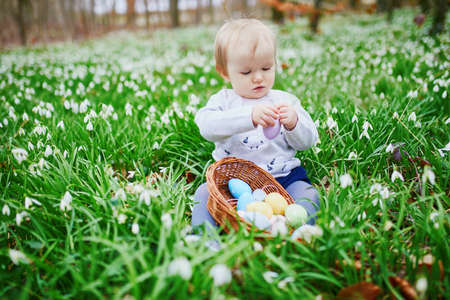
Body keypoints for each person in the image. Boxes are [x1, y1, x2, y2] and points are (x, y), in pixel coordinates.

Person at [192, 18, 319, 230]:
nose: (258, 78)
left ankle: (296, 231)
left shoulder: (285, 101)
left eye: (266, 68)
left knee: (308, 194)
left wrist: (294, 123)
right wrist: (248, 117)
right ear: (224, 72)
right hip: (231, 183)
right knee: (203, 194)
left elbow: (308, 141)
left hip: (283, 179)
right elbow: (206, 127)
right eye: (246, 72)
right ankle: (205, 239)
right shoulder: (223, 101)